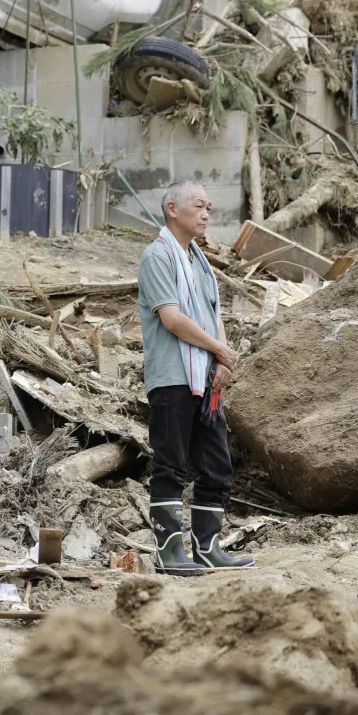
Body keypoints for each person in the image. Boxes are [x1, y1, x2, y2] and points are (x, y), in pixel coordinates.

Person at [138, 180, 254, 574]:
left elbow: (213, 314)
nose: (207, 213)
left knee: (217, 465)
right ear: (173, 208)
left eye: (209, 206)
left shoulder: (199, 261)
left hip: (205, 378)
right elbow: (172, 319)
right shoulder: (158, 256)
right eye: (199, 206)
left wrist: (221, 358)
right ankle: (168, 553)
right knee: (170, 464)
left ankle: (207, 547)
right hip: (172, 377)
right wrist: (219, 349)